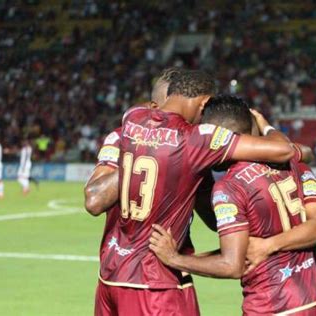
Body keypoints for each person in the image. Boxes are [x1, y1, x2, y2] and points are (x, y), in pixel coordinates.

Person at [96, 70, 299, 315]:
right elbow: (283, 151)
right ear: (203, 103)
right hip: (155, 281)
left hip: (111, 273)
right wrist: (267, 128)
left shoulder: (133, 118)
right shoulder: (196, 139)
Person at [150, 95, 316, 315]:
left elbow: (231, 264)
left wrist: (175, 259)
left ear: (223, 138)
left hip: (271, 304)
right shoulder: (296, 165)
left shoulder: (230, 187)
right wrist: (268, 128)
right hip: (314, 300)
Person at [86, 67, 212, 316]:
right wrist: (150, 153)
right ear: (154, 108)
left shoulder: (190, 147)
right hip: (154, 282)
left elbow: (214, 221)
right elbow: (94, 200)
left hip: (135, 274)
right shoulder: (120, 139)